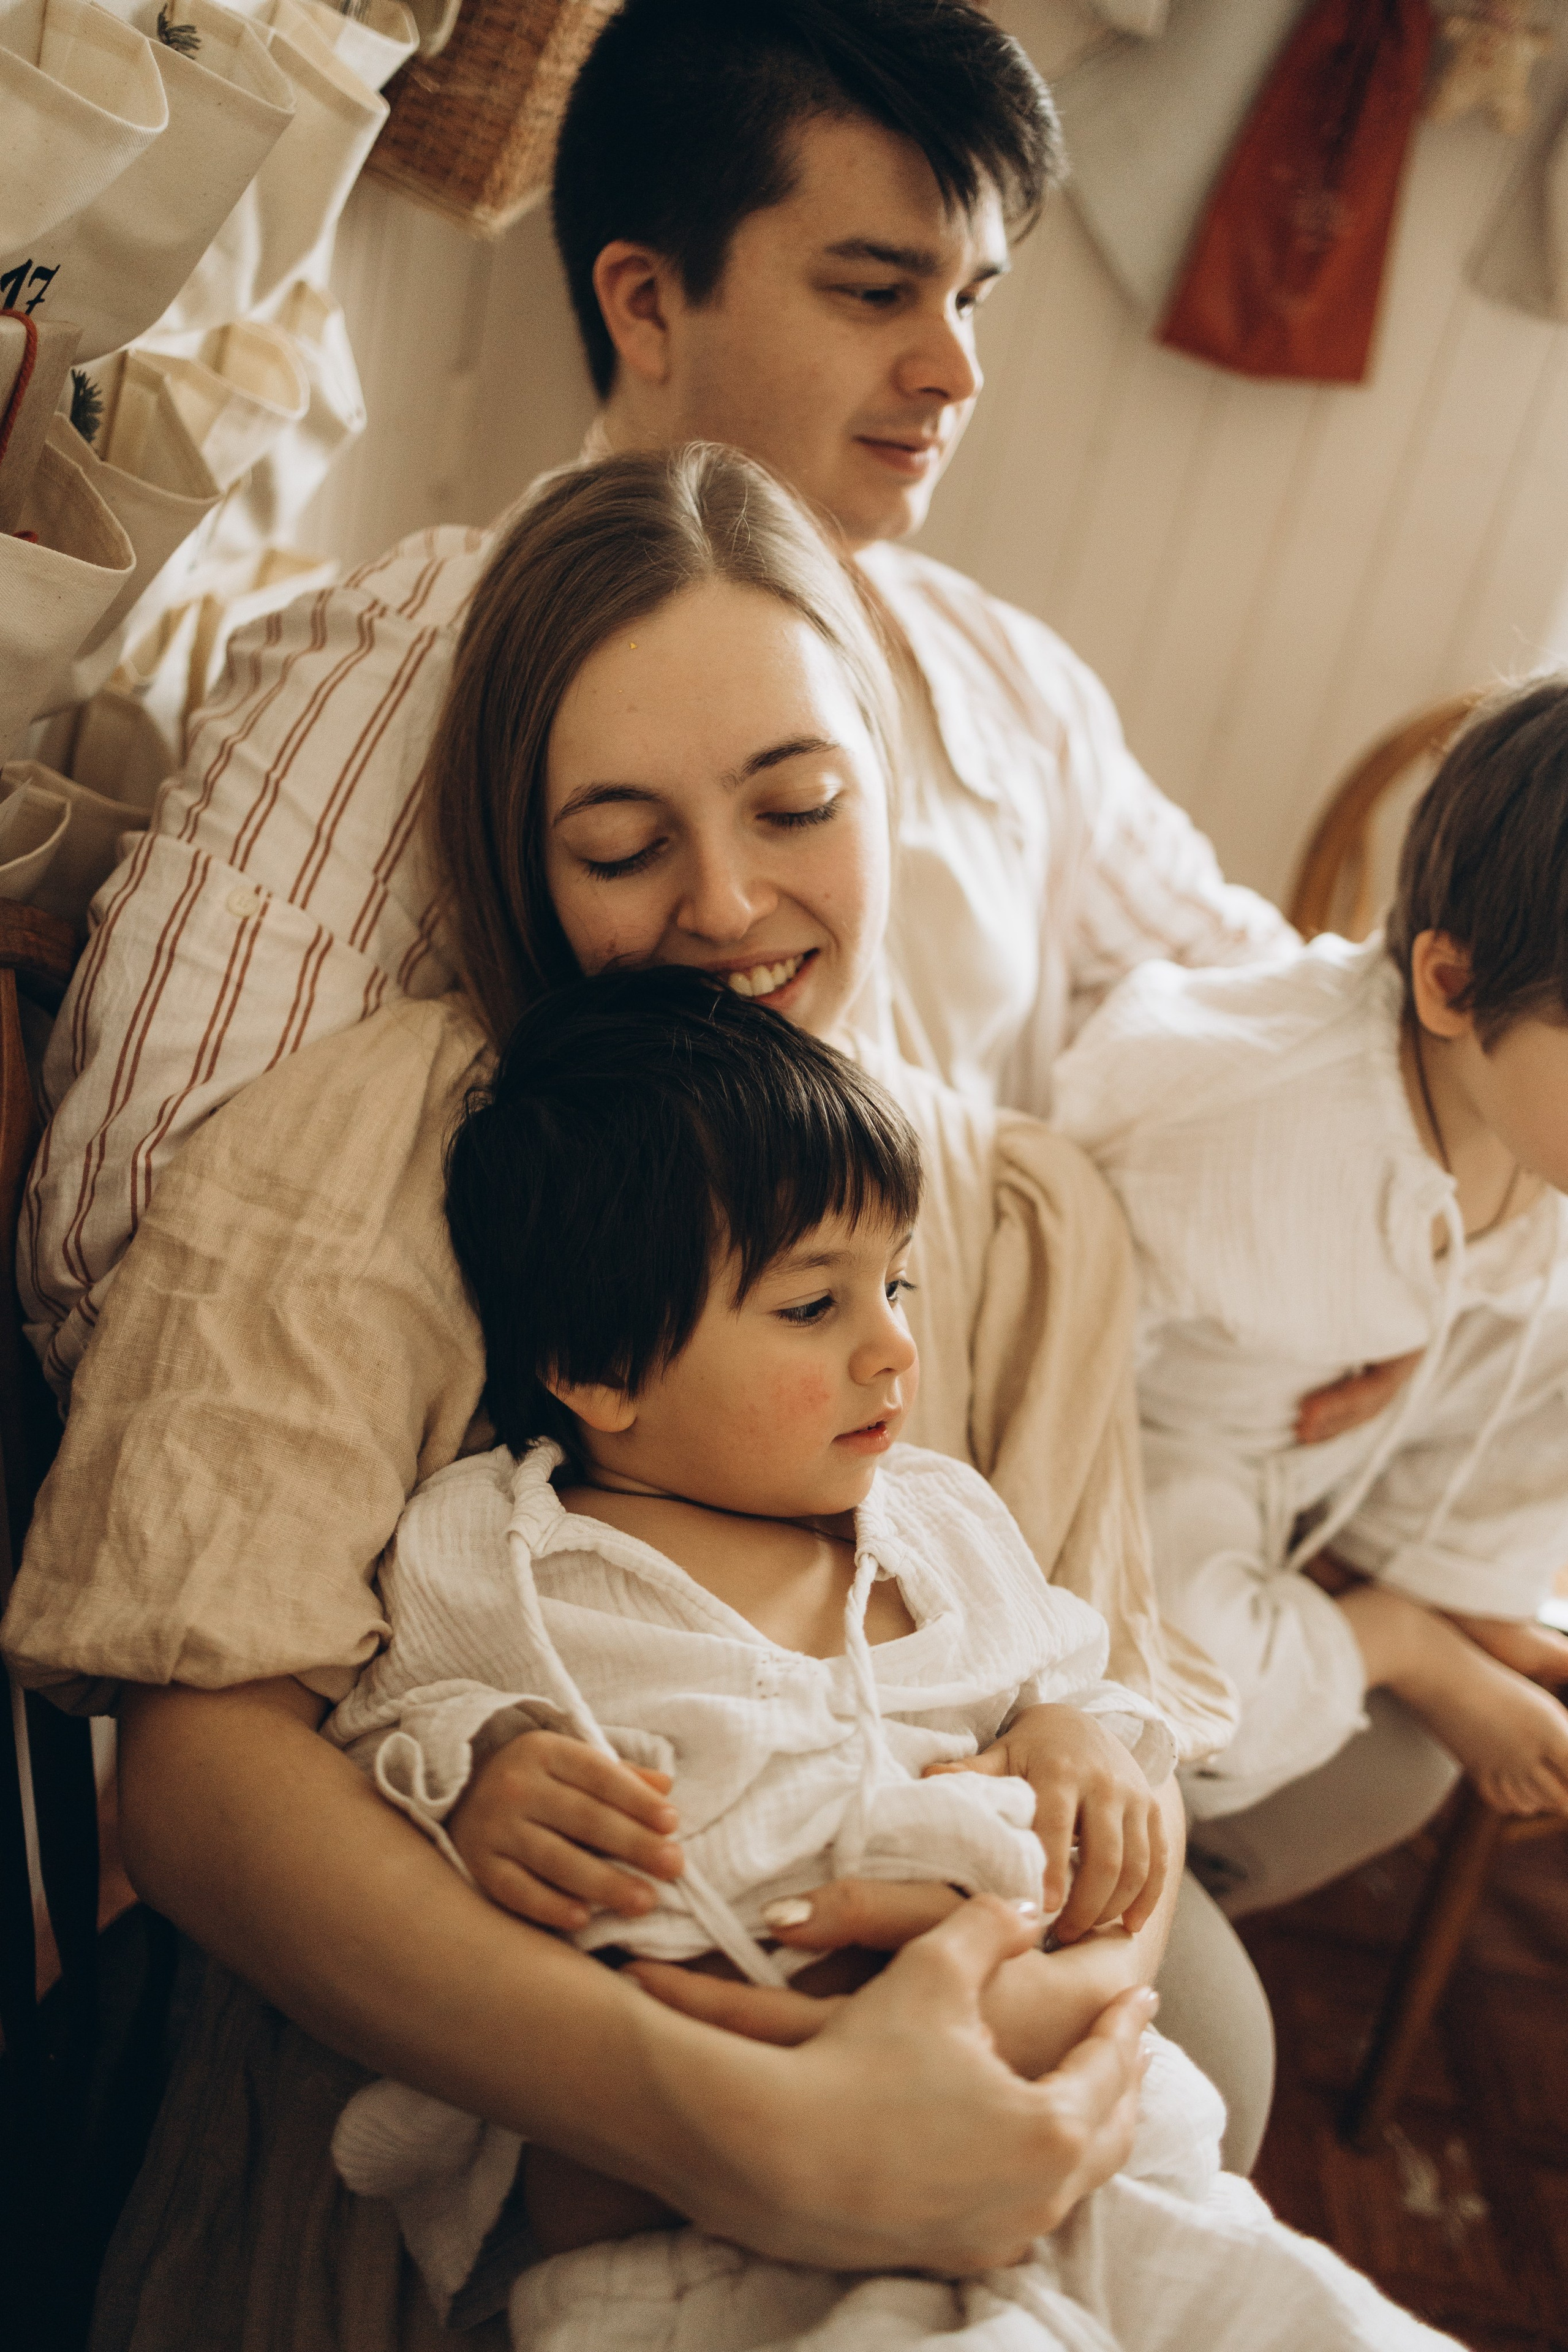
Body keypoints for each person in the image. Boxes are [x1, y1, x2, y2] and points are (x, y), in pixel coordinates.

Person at [23, 0, 1434, 1970]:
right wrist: (563, 1584)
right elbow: (146, 1244)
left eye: (975, 297)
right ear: (646, 295)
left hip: (957, 1566)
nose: (951, 368)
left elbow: (1277, 1012)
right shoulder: (409, 661)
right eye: (876, 289)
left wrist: (1401, 1254)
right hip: (579, 1642)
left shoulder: (1007, 682)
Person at [4, 447, 1246, 2351]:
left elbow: (1114, 1739)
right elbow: (201, 1774)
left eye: (797, 805)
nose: (727, 905)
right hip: (532, 2159)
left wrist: (1039, 2061)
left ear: (881, 797)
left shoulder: (1017, 1220)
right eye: (619, 845)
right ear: (520, 861)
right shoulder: (384, 1151)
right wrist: (751, 2123)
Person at [323, 969, 1452, 2352]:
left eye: (897, 1283)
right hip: (705, 2244)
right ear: (596, 1367)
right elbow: (387, 1725)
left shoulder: (937, 1522)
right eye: (814, 1307)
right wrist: (480, 1769)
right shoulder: (500, 1553)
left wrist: (1069, 1738)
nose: (894, 1347)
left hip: (1075, 2161)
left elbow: (1085, 1695)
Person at [1054, 680, 1568, 1849]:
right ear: (1450, 985)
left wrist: (1417, 1324)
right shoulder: (1253, 1112)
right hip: (1170, 1436)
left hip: (1375, 1409)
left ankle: (1438, 1574)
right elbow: (1077, 1189)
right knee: (1174, 1688)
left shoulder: (1531, 1129)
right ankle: (1399, 1632)